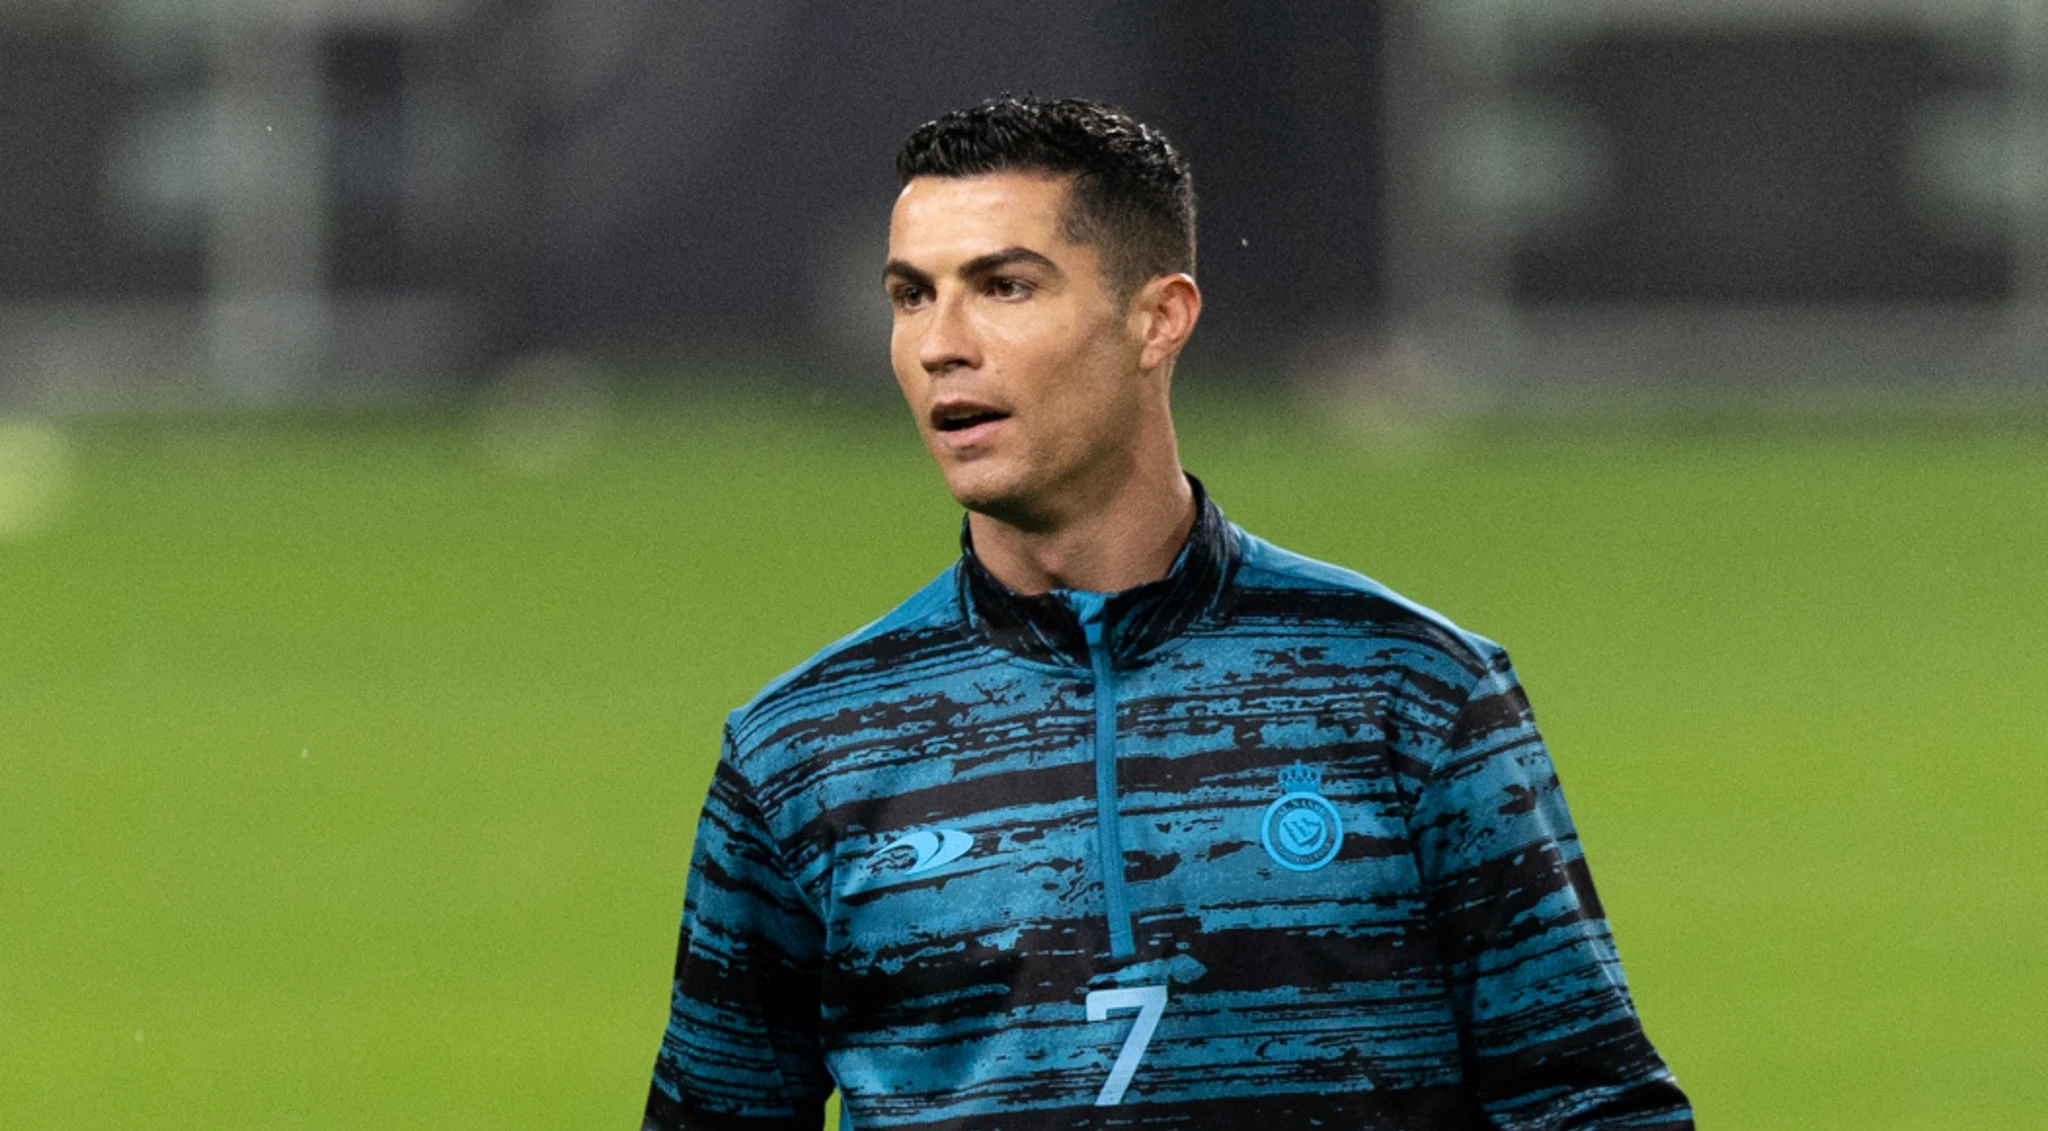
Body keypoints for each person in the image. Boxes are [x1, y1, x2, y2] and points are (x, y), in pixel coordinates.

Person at [643, 95, 1692, 1130]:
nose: (939, 345)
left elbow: (1590, 1105)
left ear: (1158, 318)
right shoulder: (804, 753)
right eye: (911, 296)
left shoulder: (1410, 694)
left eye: (1004, 287)